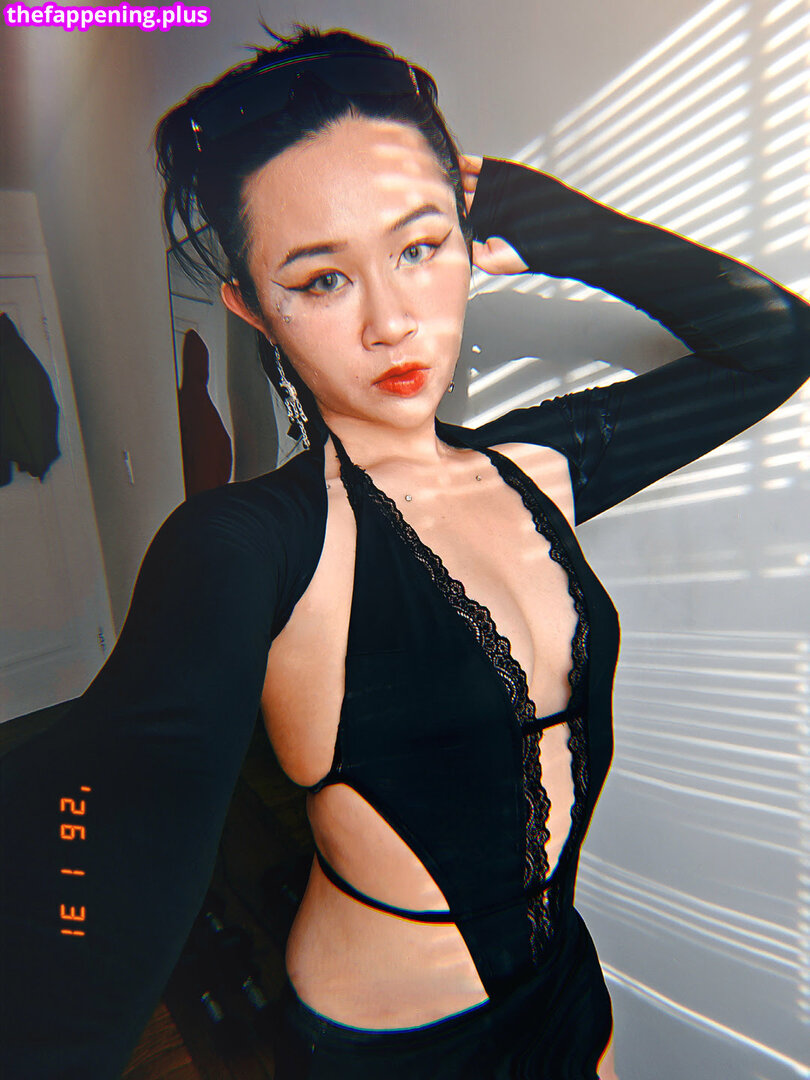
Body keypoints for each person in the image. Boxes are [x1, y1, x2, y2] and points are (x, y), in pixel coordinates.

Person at [1, 24, 808, 1080]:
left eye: (419, 249)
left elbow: (775, 343)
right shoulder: (246, 546)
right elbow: (92, 828)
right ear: (251, 306)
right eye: (321, 280)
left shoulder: (540, 468)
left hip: (565, 985)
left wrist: (546, 216)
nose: (391, 321)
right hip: (391, 1046)